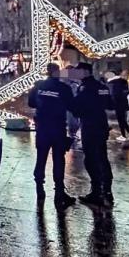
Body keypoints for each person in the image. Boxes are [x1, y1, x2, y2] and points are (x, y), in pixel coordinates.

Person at [27, 63, 77, 208]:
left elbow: (31, 103)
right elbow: (72, 106)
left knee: (41, 158)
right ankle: (59, 193)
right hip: (58, 127)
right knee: (58, 160)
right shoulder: (64, 88)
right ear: (57, 72)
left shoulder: (38, 86)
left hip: (42, 127)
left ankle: (39, 189)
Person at [71, 62, 115, 205]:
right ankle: (107, 191)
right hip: (101, 125)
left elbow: (77, 108)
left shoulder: (84, 88)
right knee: (103, 158)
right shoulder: (102, 87)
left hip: (90, 126)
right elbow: (109, 104)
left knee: (90, 159)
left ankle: (97, 192)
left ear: (84, 72)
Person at [105, 71, 129, 142]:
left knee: (121, 120)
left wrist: (111, 104)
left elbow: (113, 95)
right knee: (123, 120)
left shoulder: (112, 83)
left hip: (118, 104)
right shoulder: (123, 81)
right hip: (125, 103)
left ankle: (123, 136)